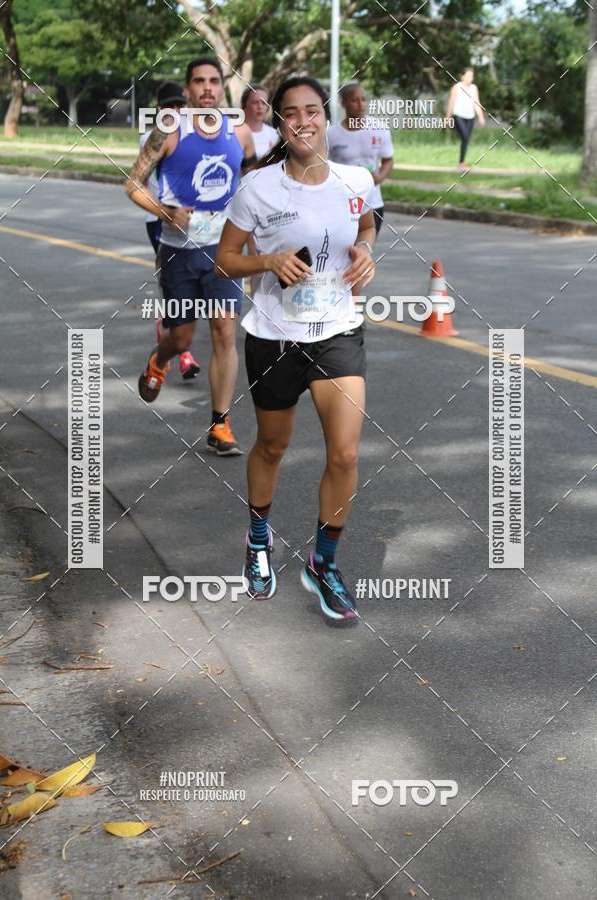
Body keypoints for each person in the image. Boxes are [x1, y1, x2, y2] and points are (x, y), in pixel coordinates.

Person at [215, 76, 376, 625]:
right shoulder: (258, 188)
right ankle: (258, 540)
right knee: (272, 445)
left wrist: (366, 252)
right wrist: (268, 261)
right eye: (291, 112)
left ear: (325, 117)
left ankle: (323, 564)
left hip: (337, 332)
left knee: (345, 454)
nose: (303, 121)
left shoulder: (357, 179)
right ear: (280, 122)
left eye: (312, 110)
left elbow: (367, 225)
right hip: (275, 336)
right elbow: (225, 260)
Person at [125, 57, 256, 456]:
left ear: (222, 87)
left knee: (224, 333)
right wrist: (165, 211)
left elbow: (252, 185)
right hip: (178, 252)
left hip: (224, 252)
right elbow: (133, 184)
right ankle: (160, 360)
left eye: (214, 81)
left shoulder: (240, 132)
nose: (207, 88)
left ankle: (220, 425)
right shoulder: (168, 130)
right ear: (188, 90)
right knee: (181, 336)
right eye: (199, 81)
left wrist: (257, 242)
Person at [140, 80, 200, 381]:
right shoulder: (150, 138)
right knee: (177, 284)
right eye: (170, 106)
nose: (176, 110)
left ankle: (172, 331)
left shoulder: (194, 135)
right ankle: (182, 351)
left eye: (180, 105)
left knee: (194, 285)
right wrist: (164, 210)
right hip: (159, 221)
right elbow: (139, 183)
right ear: (159, 108)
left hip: (193, 221)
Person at [327, 81, 394, 235]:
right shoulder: (331, 134)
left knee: (365, 247)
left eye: (363, 99)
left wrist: (380, 177)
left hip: (373, 203)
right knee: (344, 249)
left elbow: (388, 160)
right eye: (354, 100)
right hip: (342, 203)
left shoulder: (379, 128)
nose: (361, 105)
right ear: (343, 103)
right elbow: (324, 165)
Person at [446, 67, 485, 170]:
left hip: (470, 117)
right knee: (465, 136)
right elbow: (451, 102)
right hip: (458, 115)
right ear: (462, 76)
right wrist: (448, 117)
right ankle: (461, 163)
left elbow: (476, 103)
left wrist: (481, 117)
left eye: (471, 76)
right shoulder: (457, 87)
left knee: (466, 139)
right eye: (468, 76)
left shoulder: (474, 88)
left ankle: (461, 163)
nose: (470, 78)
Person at [241, 84, 277, 161]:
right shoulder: (233, 133)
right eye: (255, 102)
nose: (260, 107)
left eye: (264, 103)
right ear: (244, 106)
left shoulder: (274, 135)